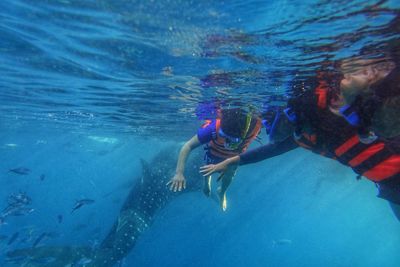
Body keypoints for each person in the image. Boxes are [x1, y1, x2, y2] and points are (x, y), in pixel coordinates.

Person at [200, 72, 400, 220]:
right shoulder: (304, 134)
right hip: (389, 187)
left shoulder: (330, 115)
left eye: (281, 117)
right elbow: (272, 149)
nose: (271, 130)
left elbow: (275, 146)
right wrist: (231, 161)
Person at [167, 108, 262, 211]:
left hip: (233, 157)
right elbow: (188, 146)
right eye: (222, 135)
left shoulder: (255, 124)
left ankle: (222, 192)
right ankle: (206, 182)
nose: (225, 141)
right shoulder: (213, 129)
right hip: (214, 152)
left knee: (230, 173)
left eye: (232, 140)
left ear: (243, 134)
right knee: (208, 167)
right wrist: (179, 173)